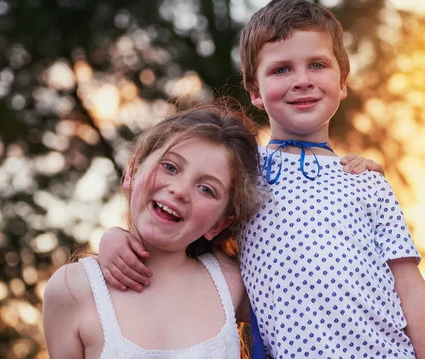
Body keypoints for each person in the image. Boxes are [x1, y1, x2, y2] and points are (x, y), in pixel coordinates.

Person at [99, 0, 425, 358]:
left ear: (343, 82)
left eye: (317, 65)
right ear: (254, 91)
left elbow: (410, 288)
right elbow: (180, 237)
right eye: (281, 70)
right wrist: (115, 238)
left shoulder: (367, 181)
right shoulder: (240, 174)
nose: (302, 81)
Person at [43, 103, 264, 358]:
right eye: (170, 167)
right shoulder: (72, 288)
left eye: (207, 189)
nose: (180, 190)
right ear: (132, 172)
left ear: (219, 224)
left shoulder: (232, 282)